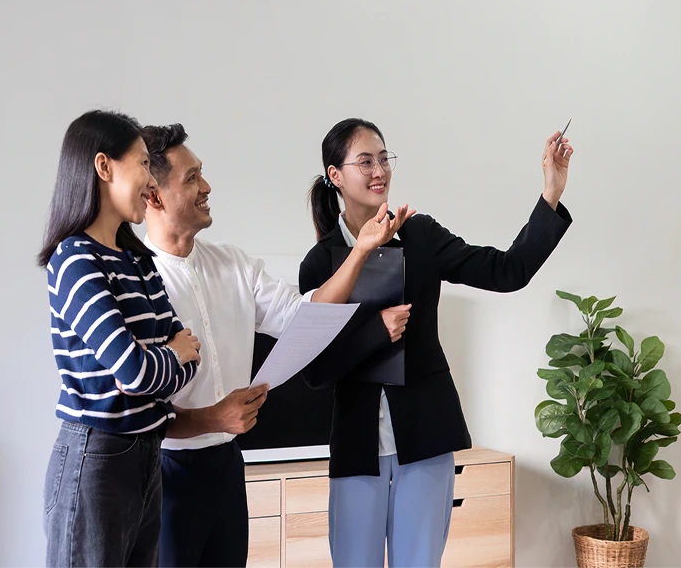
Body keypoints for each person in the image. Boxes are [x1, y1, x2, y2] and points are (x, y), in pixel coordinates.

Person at [137, 123, 415, 568]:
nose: (207, 187)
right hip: (165, 473)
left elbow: (305, 316)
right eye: (192, 178)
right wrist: (211, 418)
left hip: (228, 466)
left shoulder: (233, 264)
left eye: (201, 173)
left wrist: (360, 251)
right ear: (153, 195)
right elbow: (132, 408)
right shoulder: (134, 280)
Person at [301, 118, 574, 568]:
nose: (379, 171)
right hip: (356, 446)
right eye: (365, 161)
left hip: (425, 437)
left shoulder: (420, 235)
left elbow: (507, 271)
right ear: (336, 175)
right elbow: (315, 371)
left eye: (384, 159)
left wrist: (551, 194)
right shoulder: (319, 263)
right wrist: (375, 332)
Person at [38, 110, 202, 568]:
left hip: (148, 456)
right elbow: (134, 370)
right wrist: (165, 356)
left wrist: (161, 359)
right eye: (143, 163)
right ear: (104, 167)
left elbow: (190, 357)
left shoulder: (138, 260)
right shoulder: (75, 260)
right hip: (97, 458)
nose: (151, 180)